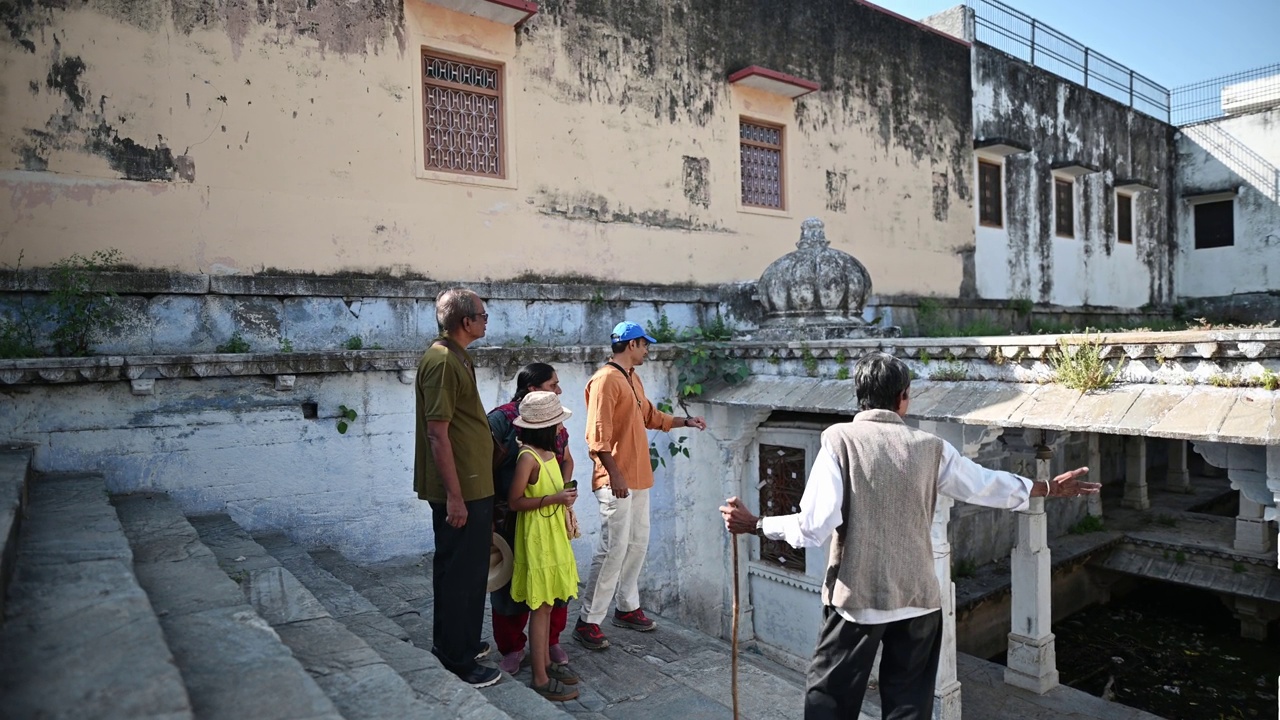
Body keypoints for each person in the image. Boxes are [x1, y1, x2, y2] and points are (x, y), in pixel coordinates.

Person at [719, 352, 1100, 720]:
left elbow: (813, 526)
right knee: (908, 707)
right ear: (903, 398)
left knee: (829, 701)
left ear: (860, 396)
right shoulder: (930, 447)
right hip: (919, 599)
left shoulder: (840, 440)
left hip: (859, 598)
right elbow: (983, 484)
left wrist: (756, 524)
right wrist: (1046, 487)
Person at [573, 320, 707, 651]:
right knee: (612, 549)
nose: (647, 350)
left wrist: (683, 421)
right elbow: (597, 436)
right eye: (645, 344)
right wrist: (614, 475)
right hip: (615, 479)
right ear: (632, 345)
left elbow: (649, 416)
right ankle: (588, 621)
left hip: (638, 477)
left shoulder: (631, 378)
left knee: (636, 544)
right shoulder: (605, 380)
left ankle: (627, 607)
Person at [413, 287, 501, 688]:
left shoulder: (456, 356)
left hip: (473, 482)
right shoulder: (444, 361)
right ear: (466, 322)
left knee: (466, 571)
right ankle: (457, 659)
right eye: (482, 316)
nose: (486, 321)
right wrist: (454, 496)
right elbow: (437, 433)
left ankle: (458, 641)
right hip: (461, 488)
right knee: (460, 574)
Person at [487, 363, 575, 674]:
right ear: (532, 390)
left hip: (549, 521)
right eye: (553, 385)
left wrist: (562, 493)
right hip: (510, 518)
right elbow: (482, 468)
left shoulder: (554, 420)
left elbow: (567, 459)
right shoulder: (500, 421)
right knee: (510, 583)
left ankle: (549, 640)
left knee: (553, 581)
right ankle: (512, 646)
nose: (559, 391)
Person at [508, 391, 582, 702]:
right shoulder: (528, 457)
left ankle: (547, 664)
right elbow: (514, 501)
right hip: (537, 537)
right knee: (540, 607)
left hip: (553, 535)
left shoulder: (549, 454)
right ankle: (539, 677)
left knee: (549, 603)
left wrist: (565, 491)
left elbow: (565, 468)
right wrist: (554, 499)